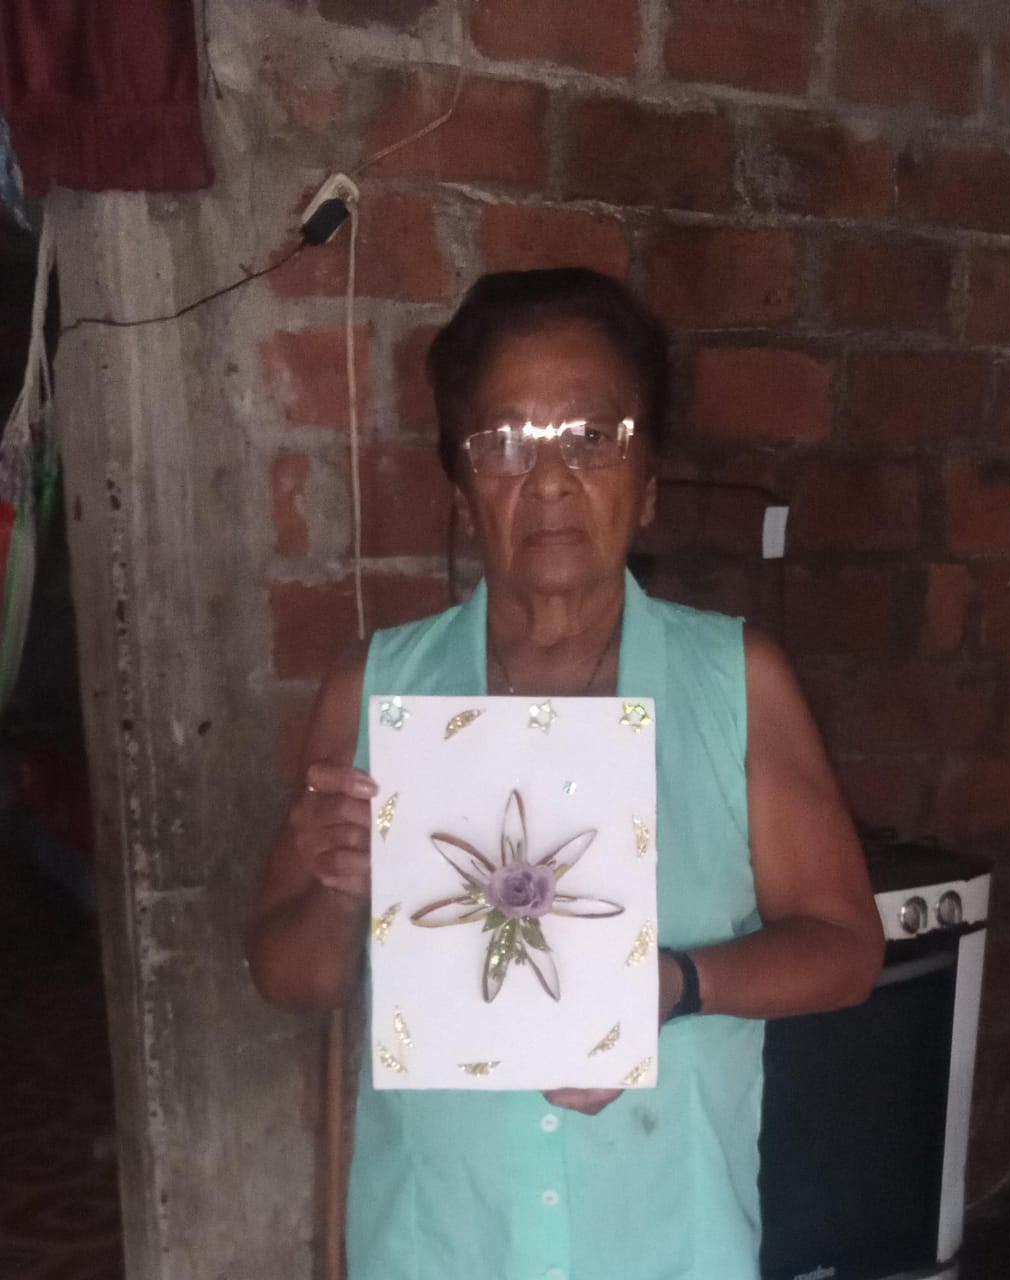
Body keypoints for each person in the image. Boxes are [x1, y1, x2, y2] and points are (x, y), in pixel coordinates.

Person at [247, 268, 885, 1280]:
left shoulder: (736, 682)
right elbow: (290, 977)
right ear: (462, 492)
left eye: (592, 435)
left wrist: (675, 985)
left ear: (649, 482)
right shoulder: (377, 691)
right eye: (504, 441)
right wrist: (333, 888)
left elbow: (846, 950)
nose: (548, 478)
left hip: (664, 1240)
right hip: (441, 1243)